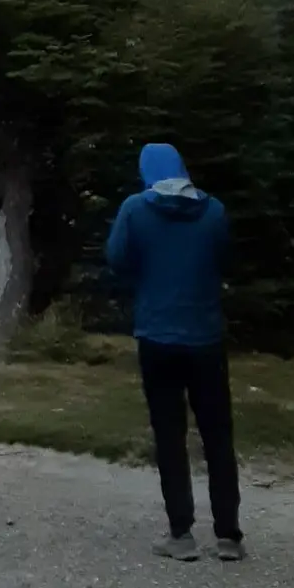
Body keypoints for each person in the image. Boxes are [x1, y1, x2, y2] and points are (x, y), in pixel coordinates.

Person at [106, 142, 244, 562]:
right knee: (218, 434)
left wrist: (145, 276)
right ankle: (228, 536)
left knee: (170, 435)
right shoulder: (214, 211)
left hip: (156, 334)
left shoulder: (135, 208)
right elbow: (227, 259)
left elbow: (116, 259)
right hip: (205, 336)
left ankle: (181, 534)